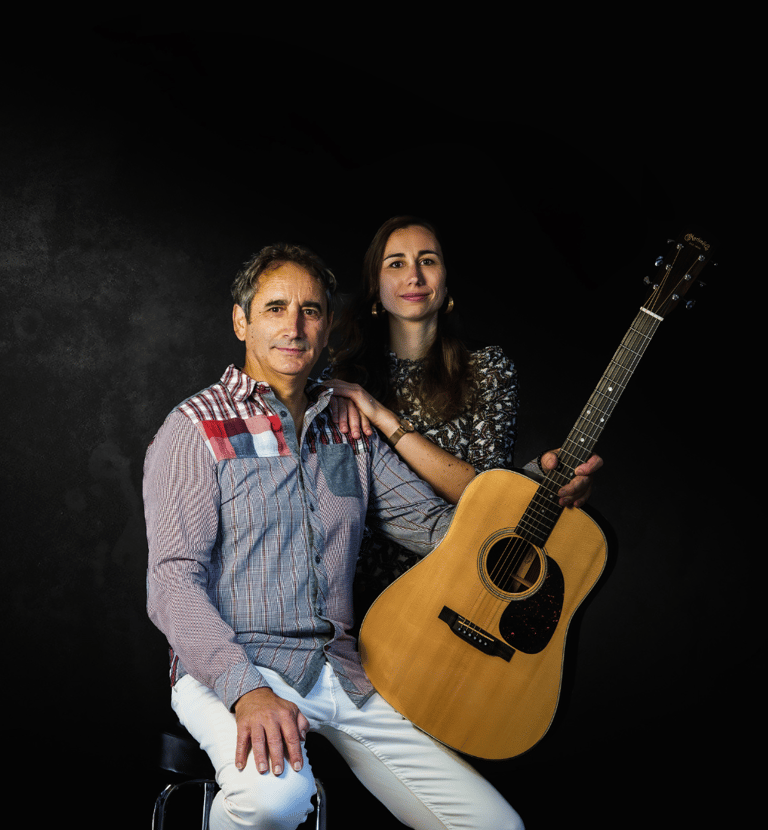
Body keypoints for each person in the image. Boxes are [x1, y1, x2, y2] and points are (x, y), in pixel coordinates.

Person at [144, 242, 525, 830]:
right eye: (275, 308)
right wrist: (245, 690)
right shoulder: (196, 428)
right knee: (276, 800)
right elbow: (172, 583)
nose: (294, 327)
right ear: (242, 320)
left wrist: (535, 496)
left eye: (312, 311)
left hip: (342, 672)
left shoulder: (347, 430)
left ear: (327, 325)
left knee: (495, 826)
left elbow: (435, 531)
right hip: (238, 666)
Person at [323, 215, 602, 615]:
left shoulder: (487, 367)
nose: (414, 276)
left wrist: (383, 417)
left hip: (456, 588)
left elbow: (486, 498)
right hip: (354, 592)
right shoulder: (343, 377)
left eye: (428, 260)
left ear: (446, 279)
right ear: (375, 286)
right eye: (396, 263)